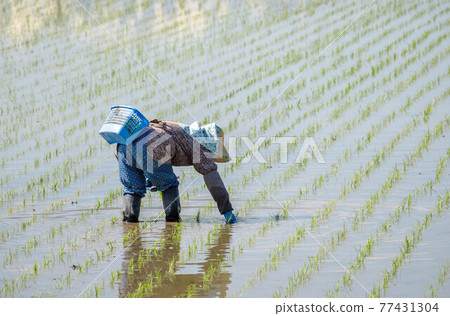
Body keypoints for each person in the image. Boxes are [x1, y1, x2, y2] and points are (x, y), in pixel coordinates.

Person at [103, 109, 236, 224]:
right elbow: (211, 174)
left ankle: (129, 223)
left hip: (123, 146)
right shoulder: (197, 143)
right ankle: (172, 221)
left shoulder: (178, 128)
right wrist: (227, 210)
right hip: (154, 144)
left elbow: (140, 154)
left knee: (132, 188)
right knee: (169, 185)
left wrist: (150, 176)